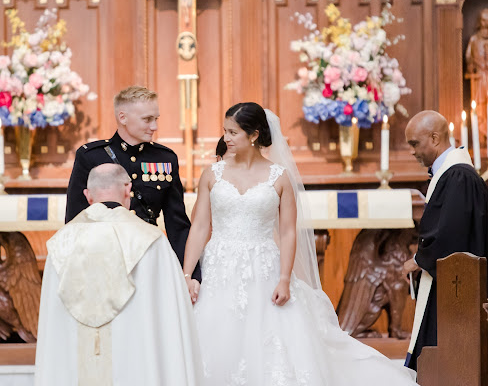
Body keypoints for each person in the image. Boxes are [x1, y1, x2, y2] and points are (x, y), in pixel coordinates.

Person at [182, 102, 417, 385]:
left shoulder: (278, 176)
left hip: (264, 266)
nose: (226, 138)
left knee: (270, 338)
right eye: (225, 131)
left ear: (254, 135)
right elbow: (199, 227)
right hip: (220, 265)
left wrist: (283, 278)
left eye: (233, 132)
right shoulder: (212, 174)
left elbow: (287, 232)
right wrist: (187, 273)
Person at [35, 163, 203, 386]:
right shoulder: (151, 240)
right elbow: (168, 318)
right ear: (127, 190)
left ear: (87, 195)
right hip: (138, 366)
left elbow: (54, 324)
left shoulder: (60, 244)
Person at [65, 85, 200, 281]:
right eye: (147, 119)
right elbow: (76, 220)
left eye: (156, 119)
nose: (154, 126)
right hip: (103, 259)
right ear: (123, 117)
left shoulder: (165, 159)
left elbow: (177, 224)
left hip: (149, 257)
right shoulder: (91, 156)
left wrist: (189, 275)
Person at [401, 110, 488, 371]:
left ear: (435, 138)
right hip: (451, 283)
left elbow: (452, 235)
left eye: (415, 143)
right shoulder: (452, 174)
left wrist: (418, 259)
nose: (411, 152)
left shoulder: (459, 176)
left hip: (456, 287)